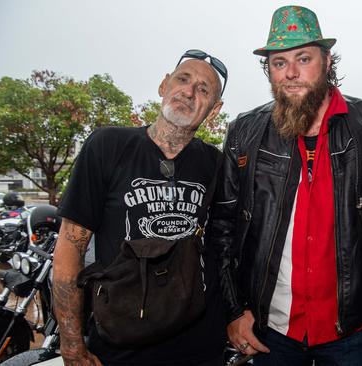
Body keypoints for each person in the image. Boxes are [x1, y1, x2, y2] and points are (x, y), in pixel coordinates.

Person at [209, 5, 362, 365]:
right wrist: (233, 310)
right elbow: (221, 230)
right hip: (272, 333)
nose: (291, 73)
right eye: (279, 63)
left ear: (326, 61)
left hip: (353, 333)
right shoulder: (245, 132)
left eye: (303, 58)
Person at [52, 49, 228, 365]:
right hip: (122, 344)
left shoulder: (217, 164)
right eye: (182, 79)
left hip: (199, 346)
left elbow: (226, 247)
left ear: (213, 111)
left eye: (203, 90)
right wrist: (72, 343)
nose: (188, 92)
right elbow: (69, 247)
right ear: (164, 85)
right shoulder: (108, 146)